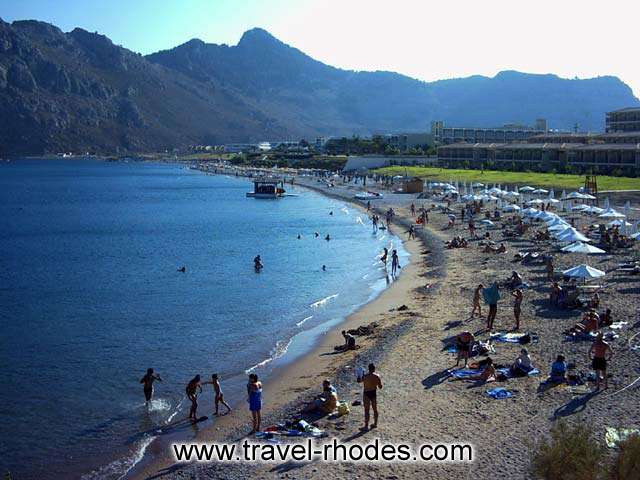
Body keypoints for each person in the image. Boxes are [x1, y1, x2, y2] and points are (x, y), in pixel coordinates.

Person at [357, 363, 382, 430]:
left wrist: (359, 375)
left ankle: (366, 426)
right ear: (374, 368)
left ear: (368, 369)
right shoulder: (377, 376)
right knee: (375, 409)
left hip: (366, 393)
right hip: (373, 393)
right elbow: (380, 387)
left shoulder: (365, 376)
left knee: (366, 410)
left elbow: (359, 381)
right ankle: (375, 424)